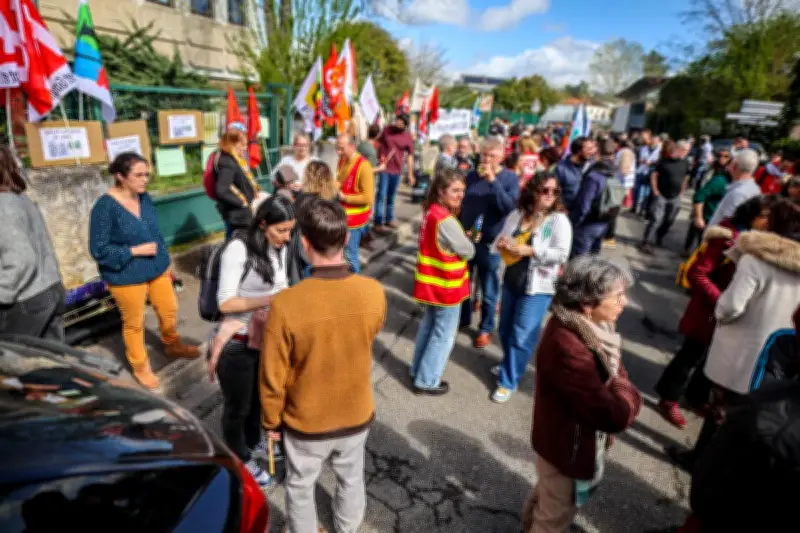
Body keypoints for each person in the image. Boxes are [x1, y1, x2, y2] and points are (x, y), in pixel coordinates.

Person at [260, 198, 386, 533]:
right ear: (346, 238)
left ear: (304, 243)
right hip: (356, 412)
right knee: (351, 476)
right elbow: (369, 335)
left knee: (300, 484)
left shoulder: (286, 304)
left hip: (306, 419)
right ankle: (347, 527)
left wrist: (271, 420)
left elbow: (273, 376)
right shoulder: (374, 292)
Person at [669, 198, 800, 470]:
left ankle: (700, 461)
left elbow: (731, 306)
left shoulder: (755, 258)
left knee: (720, 410)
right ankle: (722, 467)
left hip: (740, 348)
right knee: (747, 416)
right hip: (775, 356)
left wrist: (720, 312)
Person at [523, 256, 641, 533]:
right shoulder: (570, 346)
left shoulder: (591, 327)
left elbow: (616, 374)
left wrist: (619, 385)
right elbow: (613, 415)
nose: (624, 303)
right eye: (618, 296)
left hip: (562, 441)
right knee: (553, 516)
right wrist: (628, 392)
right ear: (587, 303)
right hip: (567, 447)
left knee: (547, 495)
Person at [656, 195, 776, 429]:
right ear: (752, 214)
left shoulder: (757, 239)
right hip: (708, 311)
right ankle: (668, 398)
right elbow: (697, 273)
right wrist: (721, 301)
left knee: (712, 359)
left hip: (730, 314)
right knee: (690, 356)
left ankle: (695, 397)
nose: (768, 223)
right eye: (765, 217)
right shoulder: (726, 236)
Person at [89, 153, 199, 390]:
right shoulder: (104, 208)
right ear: (120, 176)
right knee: (134, 322)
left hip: (156, 267)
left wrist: (164, 261)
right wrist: (134, 251)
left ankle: (172, 344)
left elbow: (154, 231)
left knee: (169, 308)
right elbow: (99, 249)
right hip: (126, 274)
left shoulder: (144, 197)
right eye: (138, 175)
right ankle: (141, 367)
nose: (145, 180)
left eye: (147, 174)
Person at [208, 195, 296, 487]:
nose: (287, 237)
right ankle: (240, 458)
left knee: (259, 398)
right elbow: (225, 302)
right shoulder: (238, 248)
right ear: (262, 224)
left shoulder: (279, 247)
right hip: (237, 342)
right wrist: (272, 299)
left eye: (290, 230)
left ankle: (253, 440)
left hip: (264, 338)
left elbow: (282, 284)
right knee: (238, 407)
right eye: (281, 230)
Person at [490, 173, 572, 403]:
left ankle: (508, 381)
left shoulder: (557, 220)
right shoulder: (518, 214)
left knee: (521, 336)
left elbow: (562, 254)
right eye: (545, 190)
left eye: (554, 191)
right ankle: (509, 365)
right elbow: (501, 238)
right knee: (505, 330)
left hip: (537, 288)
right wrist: (503, 242)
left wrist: (532, 251)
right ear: (533, 191)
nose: (550, 195)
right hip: (511, 281)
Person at [411, 169, 475, 396]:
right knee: (443, 335)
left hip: (431, 285)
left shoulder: (431, 212)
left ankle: (417, 371)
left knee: (428, 328)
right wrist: (466, 240)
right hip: (447, 288)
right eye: (455, 190)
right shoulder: (446, 220)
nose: (460, 195)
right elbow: (468, 251)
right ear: (441, 191)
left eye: (462, 191)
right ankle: (427, 380)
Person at [458, 138, 521, 348]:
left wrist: (493, 181)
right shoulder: (471, 176)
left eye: (492, 156)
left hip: (490, 243)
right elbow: (463, 202)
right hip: (468, 238)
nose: (486, 159)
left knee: (489, 290)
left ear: (501, 156)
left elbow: (508, 208)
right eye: (484, 155)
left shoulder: (509, 178)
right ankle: (464, 317)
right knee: (464, 283)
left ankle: (485, 328)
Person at [0, 146, 66, 341]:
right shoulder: (20, 199)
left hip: (27, 300)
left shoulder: (3, 206)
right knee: (51, 357)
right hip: (50, 288)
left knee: (15, 358)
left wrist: (2, 292)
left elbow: (21, 259)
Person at [570, 138, 619, 257]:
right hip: (603, 224)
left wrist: (574, 223)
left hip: (587, 225)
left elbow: (584, 205)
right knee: (593, 260)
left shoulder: (594, 175)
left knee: (579, 262)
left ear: (597, 152)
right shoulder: (614, 173)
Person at [639, 140, 690, 254]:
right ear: (678, 149)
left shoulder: (685, 163)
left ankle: (660, 236)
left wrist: (682, 192)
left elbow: (686, 177)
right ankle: (646, 241)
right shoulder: (663, 162)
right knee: (656, 219)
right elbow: (654, 176)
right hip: (661, 195)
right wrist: (655, 191)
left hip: (675, 196)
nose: (686, 153)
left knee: (669, 220)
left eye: (687, 151)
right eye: (685, 150)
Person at [336, 134, 375, 274]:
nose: (338, 152)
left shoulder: (364, 166)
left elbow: (368, 198)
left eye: (341, 149)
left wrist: (345, 197)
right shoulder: (342, 160)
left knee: (351, 255)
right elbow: (340, 181)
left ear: (352, 147)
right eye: (337, 148)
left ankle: (354, 281)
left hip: (354, 221)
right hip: (344, 217)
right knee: (344, 254)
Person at [214, 129, 263, 240]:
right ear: (233, 144)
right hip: (236, 214)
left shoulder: (231, 158)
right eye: (243, 145)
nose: (246, 148)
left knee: (233, 238)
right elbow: (221, 190)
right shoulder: (227, 162)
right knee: (235, 240)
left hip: (237, 213)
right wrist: (242, 202)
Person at [682, 150, 732, 255]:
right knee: (694, 228)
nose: (722, 158)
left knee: (701, 235)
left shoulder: (727, 174)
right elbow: (701, 189)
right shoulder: (713, 169)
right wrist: (698, 214)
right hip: (704, 204)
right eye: (720, 155)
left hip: (710, 204)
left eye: (725, 156)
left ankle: (696, 253)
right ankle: (686, 249)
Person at [375, 113, 415, 233]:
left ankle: (389, 219)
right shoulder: (387, 129)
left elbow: (410, 156)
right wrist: (379, 157)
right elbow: (378, 143)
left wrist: (410, 174)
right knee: (381, 195)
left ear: (405, 125)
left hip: (397, 170)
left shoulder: (407, 137)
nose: (398, 123)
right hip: (384, 169)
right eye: (397, 120)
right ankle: (378, 222)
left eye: (401, 122)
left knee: (392, 196)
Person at [706, 148, 761, 227]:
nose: (727, 167)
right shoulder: (755, 189)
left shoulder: (738, 193)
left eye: (731, 162)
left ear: (735, 166)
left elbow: (727, 226)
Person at [604, 139, 636, 248]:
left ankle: (609, 238)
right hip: (620, 186)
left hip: (619, 186)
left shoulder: (625, 152)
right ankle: (608, 236)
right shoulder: (625, 152)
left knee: (612, 212)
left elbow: (624, 170)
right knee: (612, 211)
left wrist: (614, 173)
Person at [554, 137, 590, 211]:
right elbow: (554, 192)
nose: (590, 152)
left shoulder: (589, 167)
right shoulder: (561, 168)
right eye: (588, 149)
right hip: (565, 212)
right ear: (579, 150)